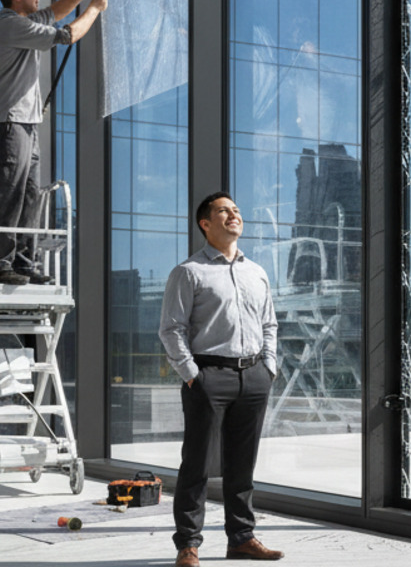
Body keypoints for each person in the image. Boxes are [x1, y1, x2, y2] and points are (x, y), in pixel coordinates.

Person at [159, 192, 282, 566]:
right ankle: (188, 544)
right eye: (224, 211)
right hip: (209, 375)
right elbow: (171, 329)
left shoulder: (256, 271)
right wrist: (193, 374)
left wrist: (270, 366)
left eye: (236, 211)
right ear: (205, 224)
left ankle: (241, 538)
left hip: (254, 375)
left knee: (242, 464)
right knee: (196, 463)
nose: (234, 215)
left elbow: (270, 324)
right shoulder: (189, 272)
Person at [0, 0, 110, 285]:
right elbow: (67, 35)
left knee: (31, 194)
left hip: (25, 122)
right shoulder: (8, 24)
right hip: (7, 121)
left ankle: (23, 261)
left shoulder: (24, 23)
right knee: (10, 191)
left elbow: (55, 12)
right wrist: (95, 7)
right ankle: (0, 262)